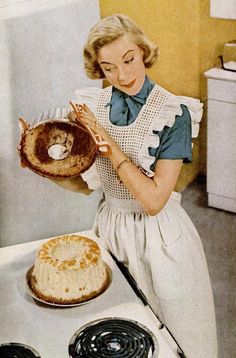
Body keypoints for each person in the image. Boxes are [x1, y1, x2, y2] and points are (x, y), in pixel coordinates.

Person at [53, 14, 218, 357]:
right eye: (109, 67)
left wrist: (103, 137)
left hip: (159, 238)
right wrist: (49, 168)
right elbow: (88, 186)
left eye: (129, 60)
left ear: (143, 52)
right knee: (113, 339)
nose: (123, 76)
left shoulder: (175, 113)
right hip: (110, 229)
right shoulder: (93, 105)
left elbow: (154, 200)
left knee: (176, 339)